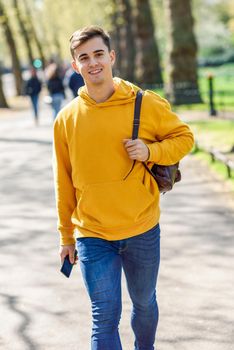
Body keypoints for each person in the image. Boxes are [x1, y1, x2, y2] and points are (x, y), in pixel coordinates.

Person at [53, 26, 194, 350]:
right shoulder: (66, 119)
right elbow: (62, 181)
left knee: (144, 303)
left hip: (142, 227)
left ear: (111, 57)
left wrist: (151, 151)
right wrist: (65, 236)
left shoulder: (144, 104)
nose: (93, 63)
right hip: (93, 233)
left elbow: (184, 137)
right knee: (104, 316)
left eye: (98, 54)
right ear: (75, 65)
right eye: (84, 58)